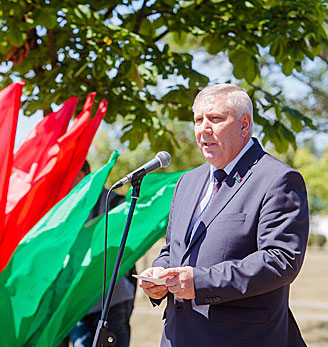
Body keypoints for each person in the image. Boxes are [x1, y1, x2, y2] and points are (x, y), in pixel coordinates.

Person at [139, 84, 309, 346]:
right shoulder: (187, 181)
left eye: (216, 118)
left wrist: (201, 282)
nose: (204, 129)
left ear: (244, 125)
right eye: (198, 120)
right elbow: (173, 250)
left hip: (240, 338)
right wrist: (160, 274)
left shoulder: (277, 179)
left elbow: (280, 260)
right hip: (178, 335)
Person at [69, 160, 137, 347]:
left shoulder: (113, 202)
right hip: (79, 305)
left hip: (111, 301)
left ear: (81, 175)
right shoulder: (65, 208)